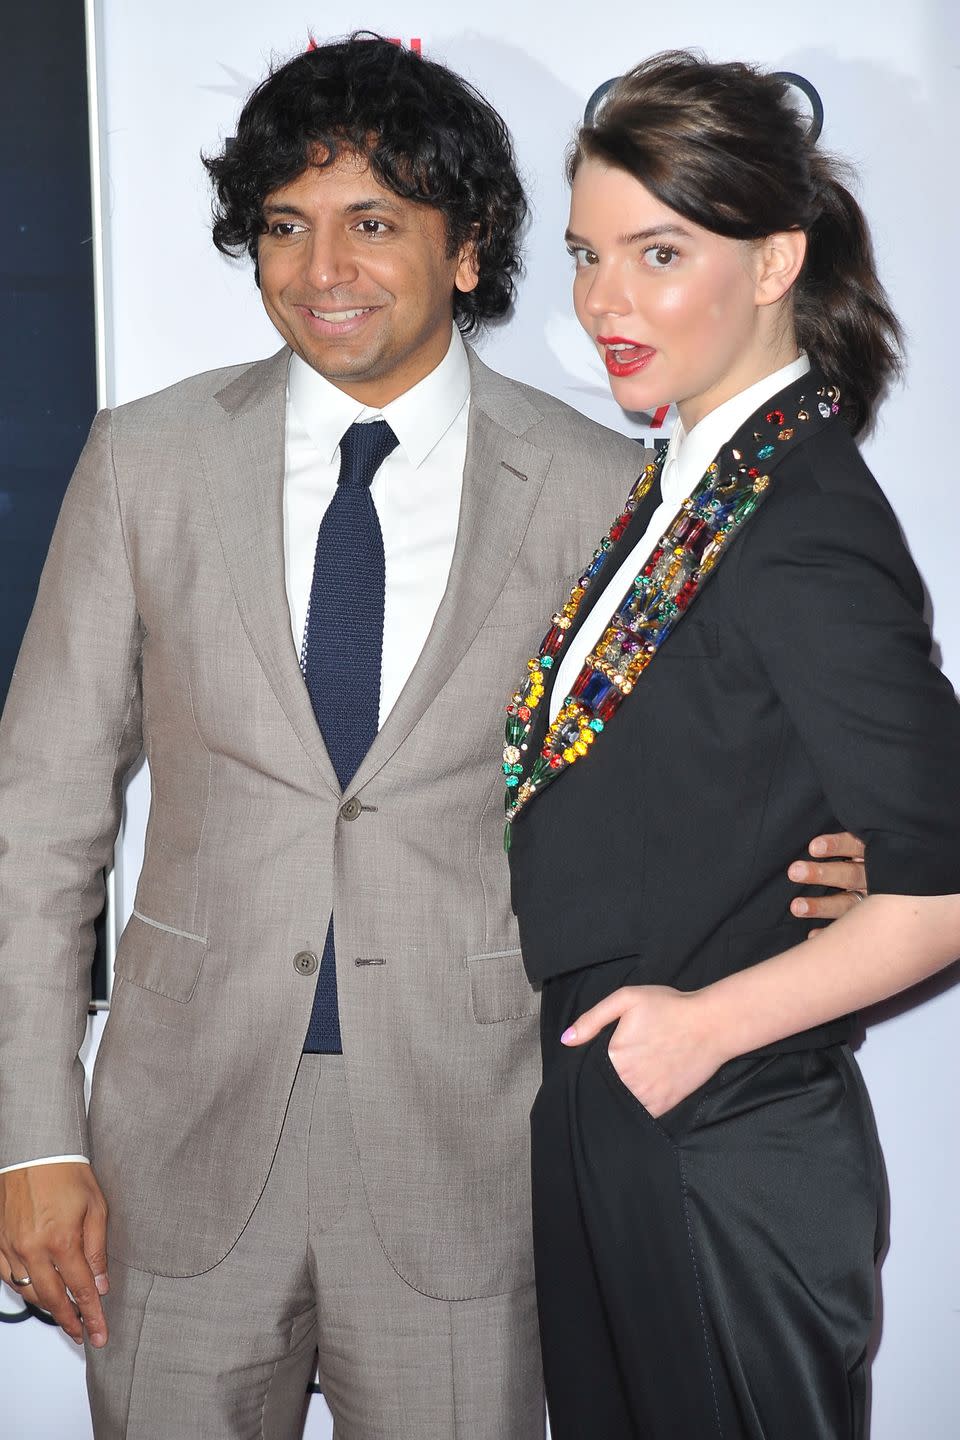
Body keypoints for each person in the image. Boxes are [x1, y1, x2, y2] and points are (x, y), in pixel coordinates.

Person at [0, 37, 863, 1439]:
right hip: (173, 1151)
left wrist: (852, 867)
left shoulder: (604, 488)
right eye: (286, 224)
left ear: (466, 253)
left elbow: (715, 777)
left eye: (373, 222)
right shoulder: (145, 461)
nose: (320, 265)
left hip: (474, 1147)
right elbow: (38, 820)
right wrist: (30, 1135)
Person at [504, 49, 960, 1440]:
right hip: (626, 1108)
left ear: (775, 266)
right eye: (588, 256)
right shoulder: (691, 486)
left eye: (658, 253)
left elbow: (944, 889)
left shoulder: (801, 512)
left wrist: (707, 1028)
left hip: (725, 1128)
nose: (602, 304)